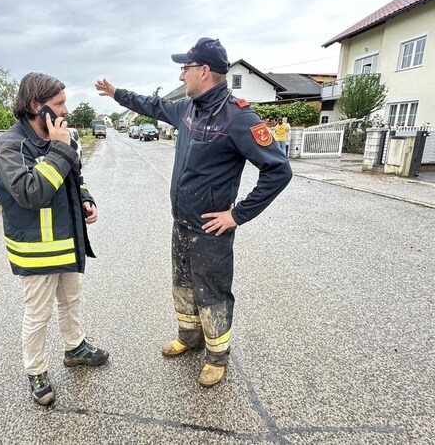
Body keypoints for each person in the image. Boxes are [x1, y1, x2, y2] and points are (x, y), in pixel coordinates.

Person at [94, 37, 292, 387]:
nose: (181, 75)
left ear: (204, 70)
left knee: (212, 292)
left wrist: (237, 215)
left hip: (211, 230)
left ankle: (217, 356)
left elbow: (279, 170)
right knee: (183, 286)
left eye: (184, 68)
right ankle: (189, 337)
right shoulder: (186, 108)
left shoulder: (239, 117)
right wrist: (116, 93)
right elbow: (152, 105)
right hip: (181, 222)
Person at [0, 72, 109, 407]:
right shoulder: (10, 146)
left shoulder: (63, 135)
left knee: (71, 301)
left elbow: (76, 176)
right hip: (36, 250)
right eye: (58, 104)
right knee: (38, 314)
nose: (65, 110)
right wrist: (59, 148)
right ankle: (36, 370)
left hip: (67, 239)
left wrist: (86, 198)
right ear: (35, 106)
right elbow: (31, 193)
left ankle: (75, 347)